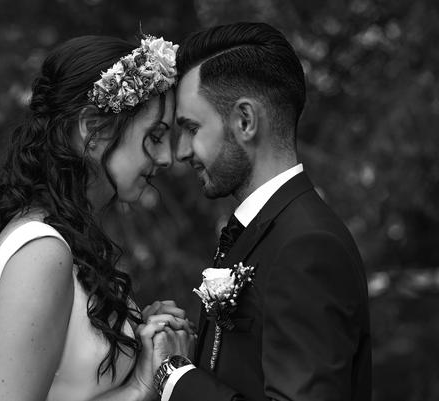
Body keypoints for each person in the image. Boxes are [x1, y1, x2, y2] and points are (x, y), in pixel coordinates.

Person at [0, 35, 195, 401]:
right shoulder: (41, 252)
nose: (166, 159)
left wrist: (141, 335)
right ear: (94, 129)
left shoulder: (65, 240)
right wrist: (144, 385)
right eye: (155, 136)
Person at [150, 22, 371, 401]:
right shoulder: (263, 232)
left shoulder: (307, 246)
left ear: (245, 121)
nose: (181, 151)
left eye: (191, 128)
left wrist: (174, 376)